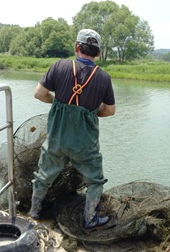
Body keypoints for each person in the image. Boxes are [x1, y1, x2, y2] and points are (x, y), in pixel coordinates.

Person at [28, 29, 116, 230]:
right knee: (95, 180)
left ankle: (34, 212)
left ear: (77, 47)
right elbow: (110, 110)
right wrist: (91, 113)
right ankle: (90, 219)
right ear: (98, 53)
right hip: (85, 144)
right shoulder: (104, 77)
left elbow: (39, 93)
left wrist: (56, 102)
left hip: (57, 139)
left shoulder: (59, 66)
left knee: (43, 176)